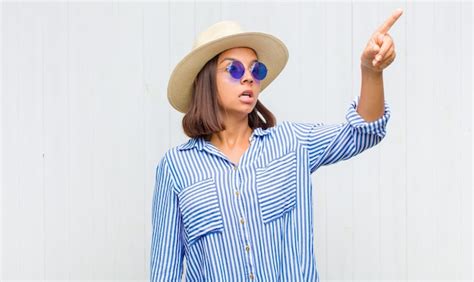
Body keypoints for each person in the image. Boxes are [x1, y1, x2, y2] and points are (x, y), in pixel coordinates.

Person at [151, 9, 403, 281]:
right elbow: (165, 271)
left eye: (255, 69)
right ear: (205, 80)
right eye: (233, 69)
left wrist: (371, 71)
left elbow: (364, 132)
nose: (248, 77)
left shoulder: (291, 144)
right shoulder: (175, 168)